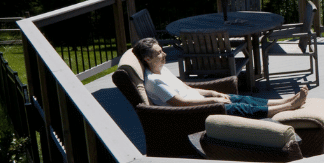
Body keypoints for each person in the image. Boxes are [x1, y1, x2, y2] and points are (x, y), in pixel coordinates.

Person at [132, 38, 308, 119]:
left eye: (162, 50)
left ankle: (285, 101)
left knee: (241, 98)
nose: (164, 54)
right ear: (147, 58)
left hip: (202, 103)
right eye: (159, 53)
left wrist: (211, 92)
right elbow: (181, 104)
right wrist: (214, 101)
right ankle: (288, 107)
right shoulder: (154, 81)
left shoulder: (161, 70)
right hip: (195, 114)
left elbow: (186, 88)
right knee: (240, 108)